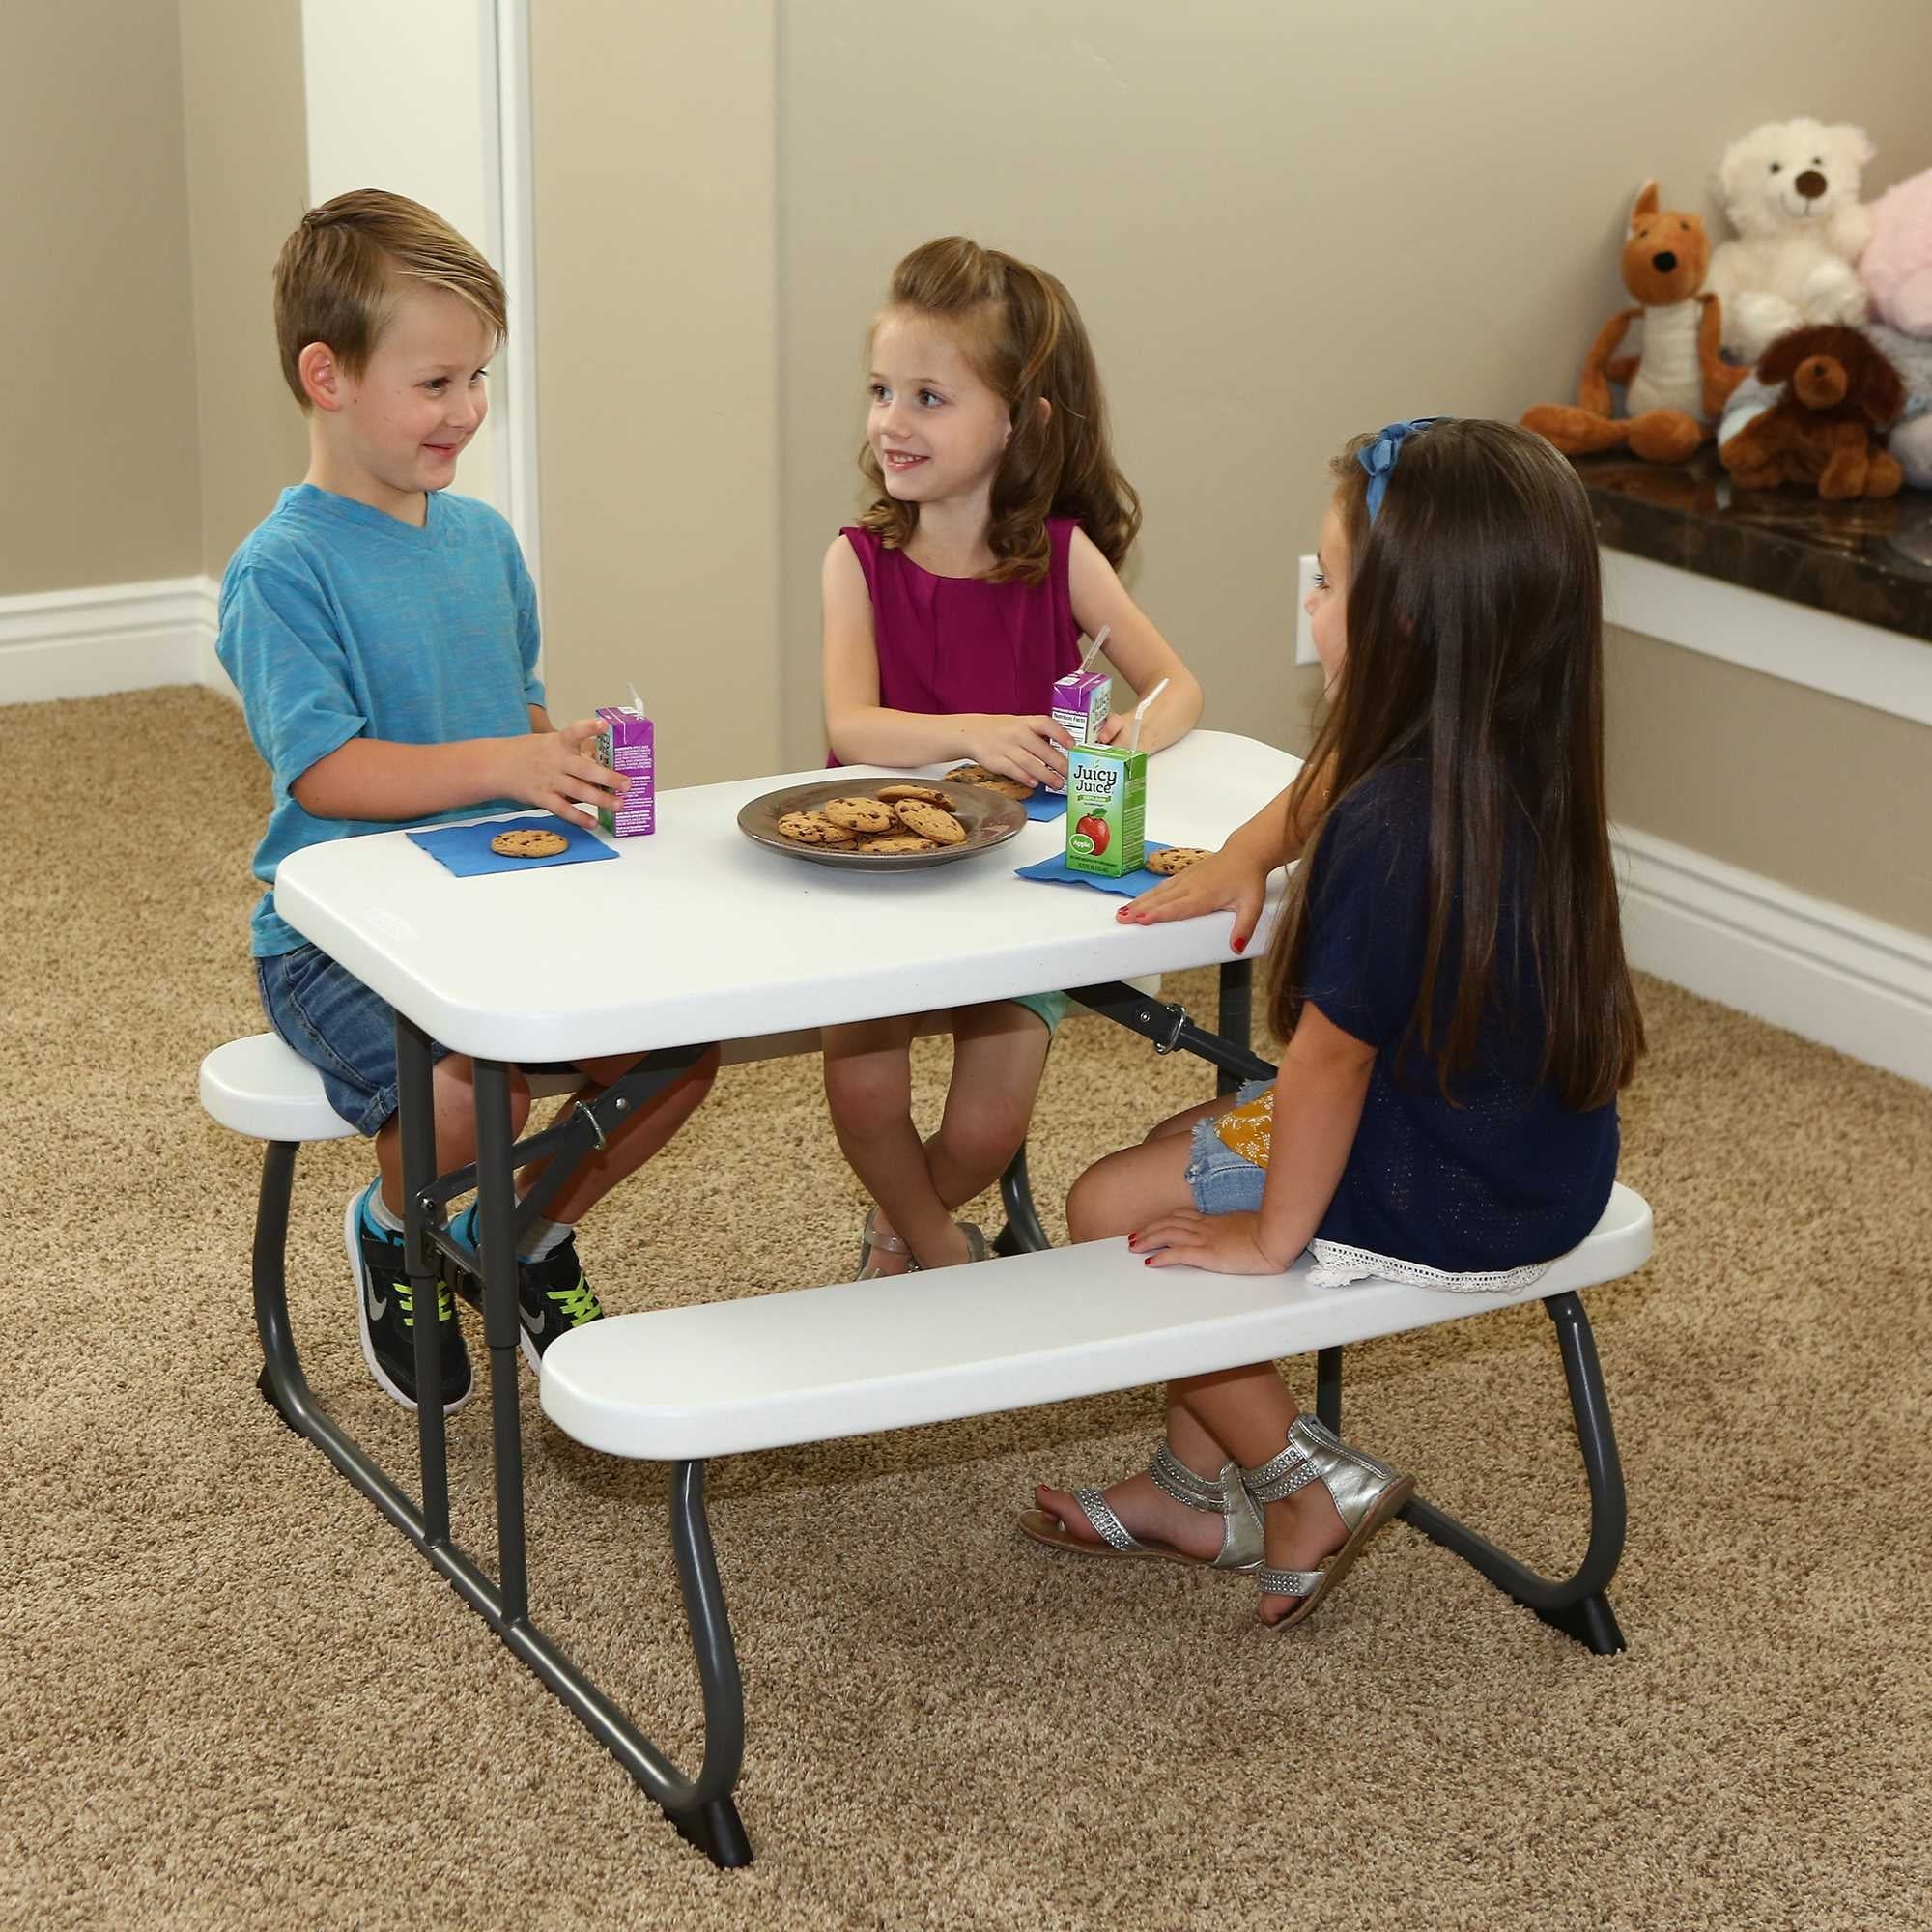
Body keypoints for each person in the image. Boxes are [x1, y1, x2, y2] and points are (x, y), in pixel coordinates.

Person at [1023, 418, 1646, 1629]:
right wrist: (1246, 850)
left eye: (1327, 579)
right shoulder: (1503, 748)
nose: (1307, 599)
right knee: (1180, 1132)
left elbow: (1329, 1062)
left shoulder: (1389, 825)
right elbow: (1325, 777)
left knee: (1110, 1207)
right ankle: (1188, 1491)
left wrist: (1268, 1240)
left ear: (1401, 621)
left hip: (1440, 1183)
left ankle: (1302, 1485)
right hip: (1533, 1158)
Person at [218, 190, 716, 1414]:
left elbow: (516, 709)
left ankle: (516, 1234)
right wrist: (504, 761)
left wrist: (560, 754)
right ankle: (398, 1228)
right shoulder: (281, 569)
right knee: (468, 1091)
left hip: (502, 890)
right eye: (435, 382)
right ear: (327, 376)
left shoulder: (483, 540)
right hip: (337, 934)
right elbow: (327, 772)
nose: (467, 409)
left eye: (477, 377)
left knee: (672, 1058)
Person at [820, 235, 1202, 1278]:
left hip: (1015, 892)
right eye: (881, 391)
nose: (892, 422)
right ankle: (938, 1246)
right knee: (862, 1094)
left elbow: (1176, 686)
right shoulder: (857, 562)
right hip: (880, 886)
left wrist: (1128, 733)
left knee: (986, 1132)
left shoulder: (1064, 558)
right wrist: (973, 731)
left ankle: (901, 1231)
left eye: (929, 398)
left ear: (1018, 423)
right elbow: (852, 725)